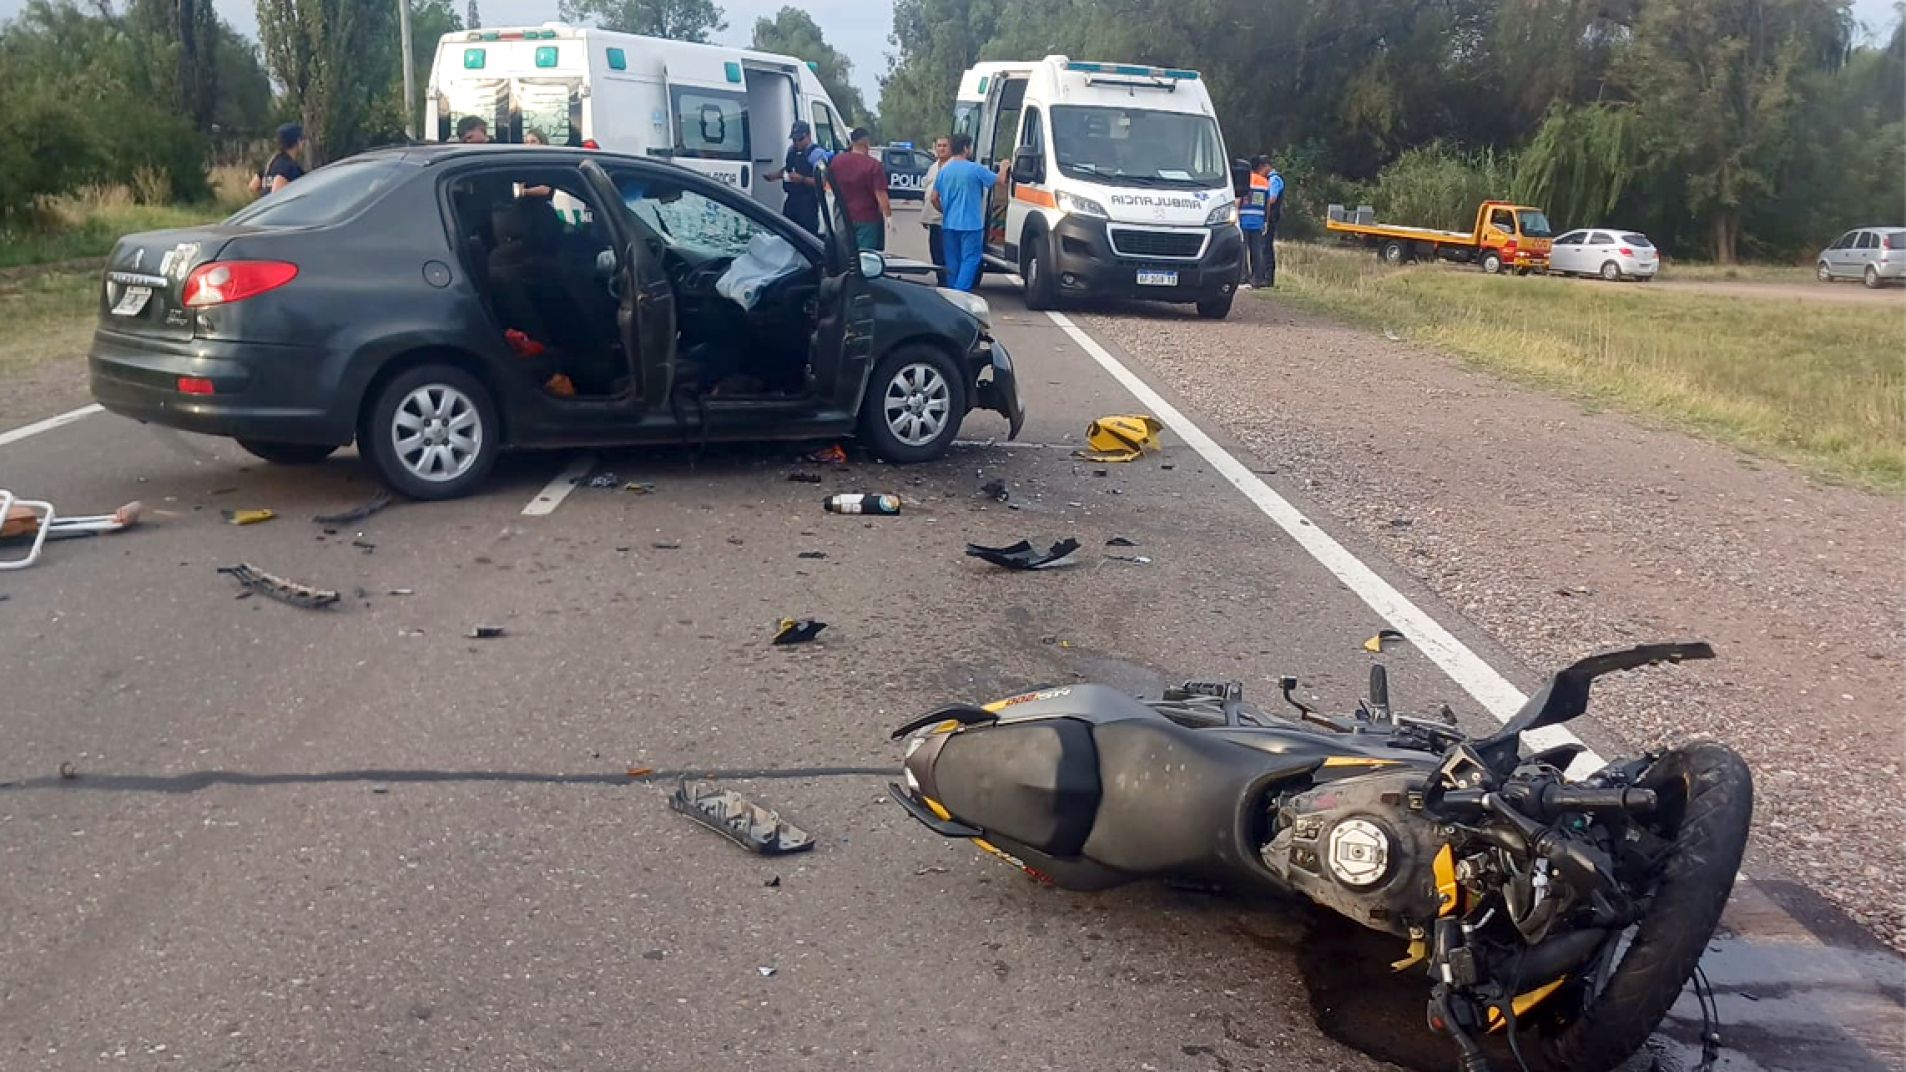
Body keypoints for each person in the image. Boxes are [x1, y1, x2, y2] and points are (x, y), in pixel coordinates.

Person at [930, 133, 999, 292]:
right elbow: (999, 180)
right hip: (971, 224)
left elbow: (934, 198)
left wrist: (945, 211)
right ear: (966, 148)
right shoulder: (975, 169)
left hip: (949, 224)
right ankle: (961, 292)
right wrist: (1004, 167)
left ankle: (952, 290)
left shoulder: (944, 171)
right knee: (970, 259)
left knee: (952, 260)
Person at [829, 127, 891, 251]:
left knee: (844, 255)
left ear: (851, 142)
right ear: (867, 143)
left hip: (842, 216)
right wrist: (888, 215)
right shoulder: (873, 165)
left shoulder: (836, 161)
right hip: (866, 218)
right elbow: (880, 194)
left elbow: (828, 185)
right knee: (866, 256)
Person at [764, 120, 830, 236]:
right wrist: (775, 176)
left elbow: (822, 181)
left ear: (808, 136)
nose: (797, 142)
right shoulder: (792, 151)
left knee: (806, 237)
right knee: (784, 234)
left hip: (808, 204)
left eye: (800, 139)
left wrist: (802, 179)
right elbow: (788, 169)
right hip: (791, 201)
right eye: (794, 139)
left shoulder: (817, 154)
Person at [920, 135, 951, 284]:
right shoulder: (933, 167)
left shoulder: (952, 166)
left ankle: (946, 281)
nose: (941, 149)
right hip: (932, 217)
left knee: (945, 252)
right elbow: (927, 190)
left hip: (946, 217)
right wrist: (924, 216)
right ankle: (941, 279)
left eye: (945, 146)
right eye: (939, 146)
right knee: (935, 251)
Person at [1238, 155, 1271, 288]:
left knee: (1242, 249)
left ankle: (1243, 276)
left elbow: (1239, 199)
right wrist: (1265, 220)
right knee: (1257, 251)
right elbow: (1267, 204)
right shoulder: (1264, 182)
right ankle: (1258, 278)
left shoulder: (1245, 180)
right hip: (1258, 220)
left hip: (1244, 217)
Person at [249, 123, 305, 197]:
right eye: (302, 139)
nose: (304, 142)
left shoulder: (271, 162)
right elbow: (277, 191)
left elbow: (253, 186)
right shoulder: (289, 167)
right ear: (298, 141)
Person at [1262, 155, 1286, 288]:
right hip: (1270, 217)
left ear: (1267, 166)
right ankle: (1265, 276)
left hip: (1271, 217)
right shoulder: (1271, 179)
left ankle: (1268, 278)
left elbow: (1272, 199)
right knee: (1264, 246)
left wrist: (1264, 212)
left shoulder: (1274, 179)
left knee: (1267, 247)